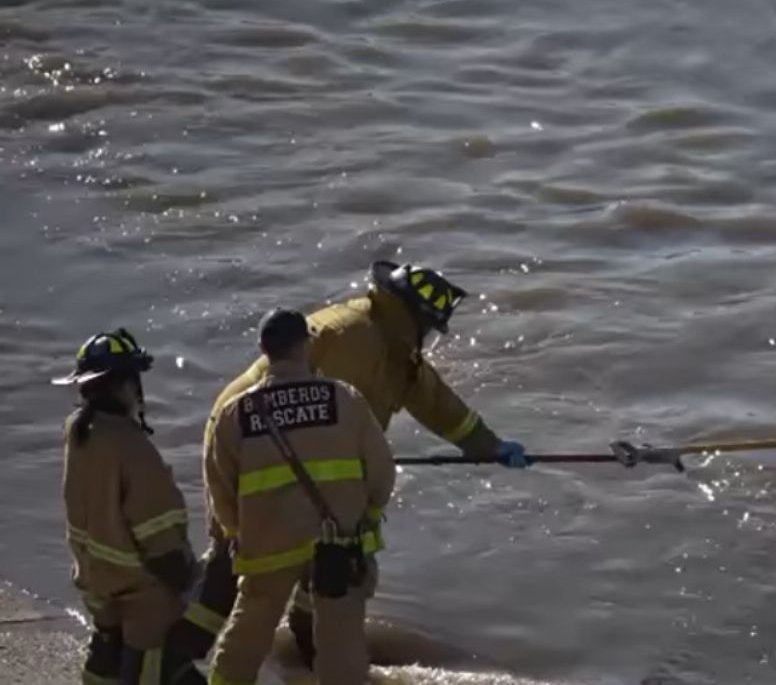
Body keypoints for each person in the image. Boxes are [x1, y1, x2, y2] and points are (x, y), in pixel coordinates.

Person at [172, 260, 528, 663]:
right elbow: (320, 421)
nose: (428, 339)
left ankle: (305, 648)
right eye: (428, 327)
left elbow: (435, 403)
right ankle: (175, 655)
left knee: (324, 557)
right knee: (239, 557)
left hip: (299, 457)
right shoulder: (353, 338)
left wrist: (489, 446)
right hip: (250, 445)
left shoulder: (394, 347)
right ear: (412, 316)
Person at [205, 309, 396, 685]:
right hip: (338, 541)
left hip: (267, 546)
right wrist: (370, 512)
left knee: (246, 636)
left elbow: (219, 487)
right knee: (341, 643)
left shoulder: (235, 412)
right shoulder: (343, 398)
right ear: (306, 345)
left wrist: (236, 532)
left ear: (264, 350)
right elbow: (381, 471)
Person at [55, 328, 205, 685]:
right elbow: (161, 539)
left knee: (106, 658)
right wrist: (191, 586)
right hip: (143, 596)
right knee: (157, 669)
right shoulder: (134, 449)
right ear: (126, 386)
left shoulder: (78, 431)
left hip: (97, 583)